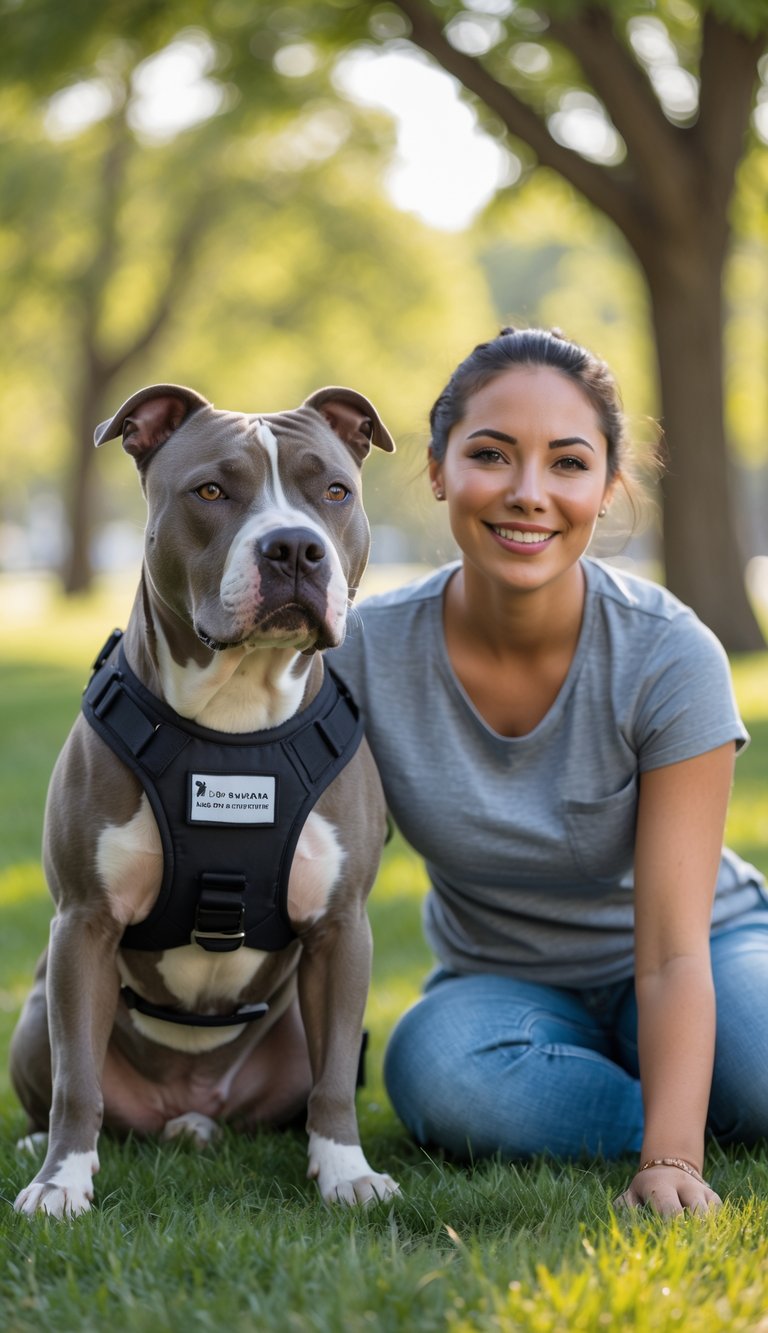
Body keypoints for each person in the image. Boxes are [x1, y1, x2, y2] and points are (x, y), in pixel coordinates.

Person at [328, 326, 768, 1215]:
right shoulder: (364, 651)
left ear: (607, 487)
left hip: (703, 952)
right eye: (492, 454)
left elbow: (675, 947)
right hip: (504, 986)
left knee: (760, 1064)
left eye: (568, 463)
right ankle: (688, 1095)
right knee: (441, 1076)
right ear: (440, 468)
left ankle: (698, 1096)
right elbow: (313, 878)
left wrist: (675, 1162)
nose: (529, 494)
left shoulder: (669, 654)